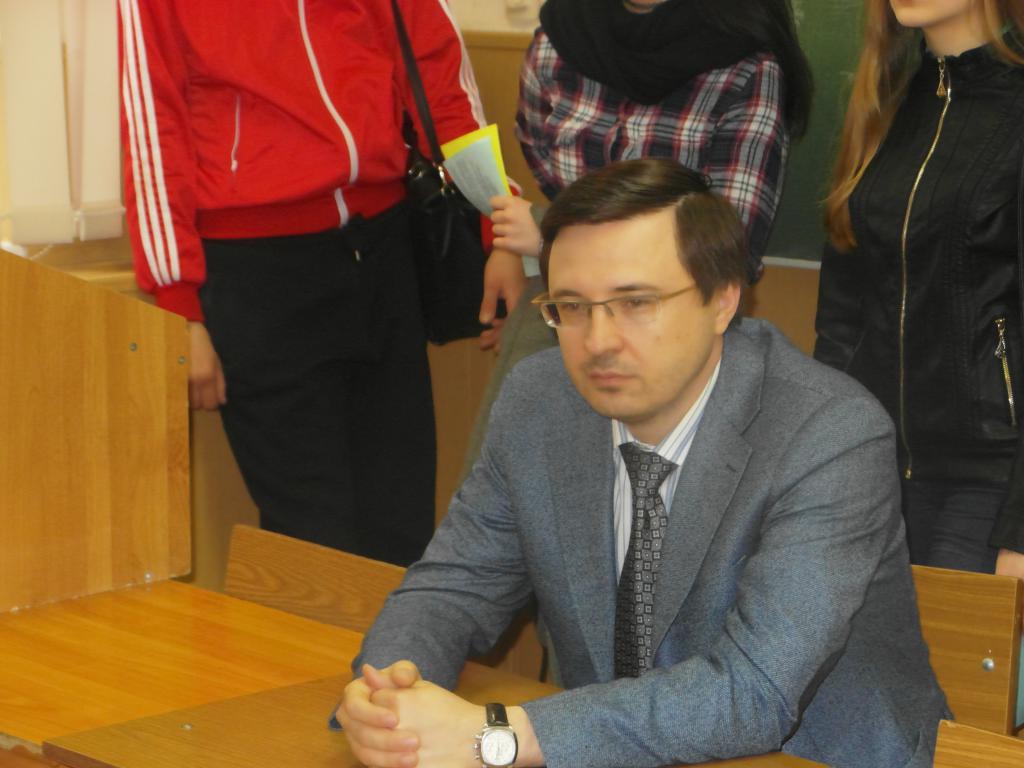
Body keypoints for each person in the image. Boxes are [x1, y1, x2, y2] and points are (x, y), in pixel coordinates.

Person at [337, 159, 947, 768]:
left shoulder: (830, 434)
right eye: (572, 306)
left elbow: (754, 691)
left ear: (723, 299)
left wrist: (496, 734)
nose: (598, 341)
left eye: (635, 302)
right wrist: (388, 700)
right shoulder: (539, 402)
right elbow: (452, 588)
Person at [117, 0, 525, 565]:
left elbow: (440, 79)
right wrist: (178, 304)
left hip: (383, 247)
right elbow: (152, 125)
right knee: (313, 538)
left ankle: (400, 630)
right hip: (256, 269)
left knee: (402, 524)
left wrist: (497, 222)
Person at [461, 0, 812, 473]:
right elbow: (541, 156)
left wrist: (548, 240)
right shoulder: (558, 37)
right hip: (565, 313)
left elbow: (728, 244)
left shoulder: (748, 62)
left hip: (668, 332)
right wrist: (524, 251)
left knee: (640, 500)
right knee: (515, 474)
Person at [814, 1, 1024, 580]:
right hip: (873, 470)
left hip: (991, 478)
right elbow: (840, 322)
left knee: (949, 640)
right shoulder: (883, 102)